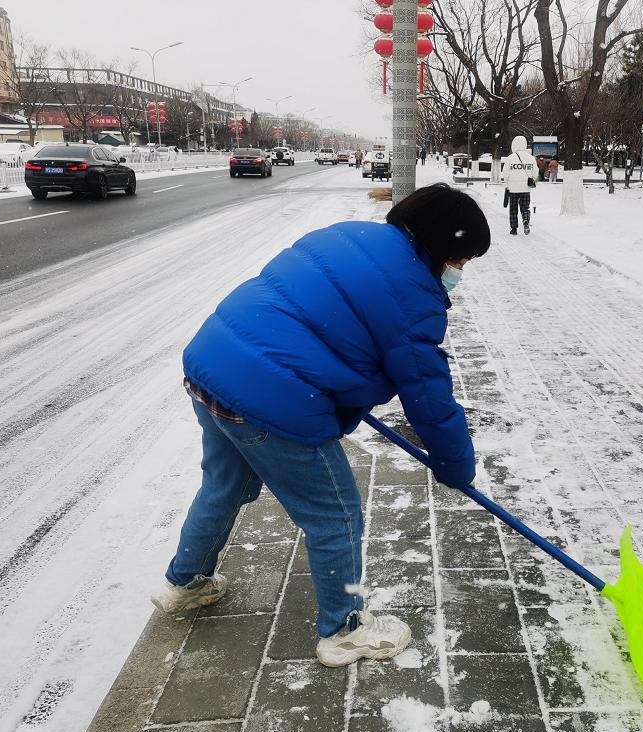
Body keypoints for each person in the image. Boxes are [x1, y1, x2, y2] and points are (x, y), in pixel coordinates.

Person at [152, 184, 492, 668]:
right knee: (335, 515)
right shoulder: (413, 293)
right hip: (271, 397)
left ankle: (184, 583)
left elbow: (316, 315)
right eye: (460, 260)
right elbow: (428, 396)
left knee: (224, 486)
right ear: (439, 246)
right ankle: (344, 629)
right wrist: (456, 464)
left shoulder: (348, 236)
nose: (458, 272)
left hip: (214, 368)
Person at [503, 135, 537, 236]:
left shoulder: (510, 158)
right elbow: (536, 173)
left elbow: (505, 174)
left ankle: (514, 229)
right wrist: (533, 180)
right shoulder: (531, 158)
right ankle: (525, 220)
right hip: (526, 189)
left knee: (513, 209)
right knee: (525, 207)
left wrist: (507, 183)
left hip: (513, 189)